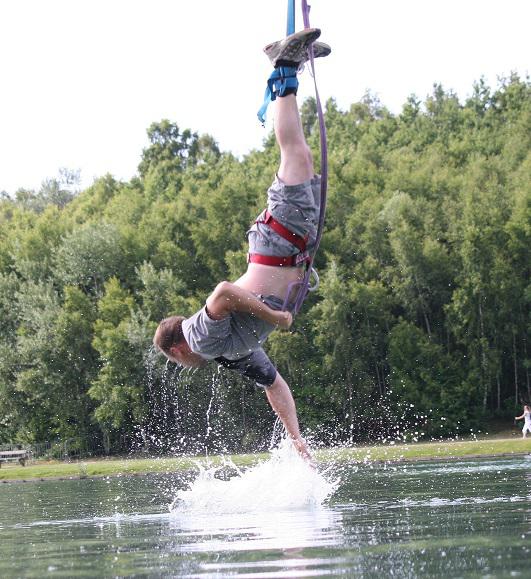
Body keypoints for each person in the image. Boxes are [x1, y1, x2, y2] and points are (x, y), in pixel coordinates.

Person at [153, 28, 331, 462]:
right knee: (301, 157)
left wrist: (275, 317)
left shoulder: (198, 338)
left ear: (177, 350)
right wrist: (296, 438)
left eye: (177, 362)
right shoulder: (229, 354)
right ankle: (289, 67)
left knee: (295, 156)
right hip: (291, 246)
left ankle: (284, 64)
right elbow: (274, 384)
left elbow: (222, 294)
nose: (185, 365)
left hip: (278, 243)